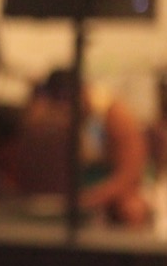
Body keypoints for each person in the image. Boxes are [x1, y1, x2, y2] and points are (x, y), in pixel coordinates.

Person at [15, 69, 152, 226]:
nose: (64, 112)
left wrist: (89, 199)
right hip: (69, 190)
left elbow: (129, 175)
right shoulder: (49, 116)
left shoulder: (114, 116)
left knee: (131, 209)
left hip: (109, 190)